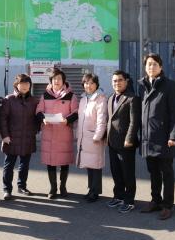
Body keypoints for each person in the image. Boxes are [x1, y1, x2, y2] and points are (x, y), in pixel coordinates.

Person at [138, 53, 175, 220]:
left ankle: (167, 205)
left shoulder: (170, 86)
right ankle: (155, 200)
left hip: (164, 138)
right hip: (147, 138)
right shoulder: (143, 85)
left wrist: (173, 136)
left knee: (166, 173)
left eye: (155, 64)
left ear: (161, 67)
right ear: (145, 67)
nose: (151, 67)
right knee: (153, 172)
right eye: (148, 64)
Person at [36, 67, 79, 199]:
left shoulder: (71, 95)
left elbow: (76, 112)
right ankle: (53, 188)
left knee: (64, 161)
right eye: (54, 79)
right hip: (49, 133)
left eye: (59, 79)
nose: (57, 81)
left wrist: (67, 120)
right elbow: (38, 111)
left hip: (64, 133)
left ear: (63, 81)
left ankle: (63, 187)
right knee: (50, 162)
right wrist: (43, 119)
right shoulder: (45, 95)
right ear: (51, 81)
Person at [0, 74, 39, 200]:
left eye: (27, 84)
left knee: (24, 165)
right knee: (9, 165)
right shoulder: (9, 99)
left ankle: (22, 186)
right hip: (11, 138)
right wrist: (5, 135)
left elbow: (37, 118)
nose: (25, 86)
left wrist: (35, 130)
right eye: (22, 83)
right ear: (16, 85)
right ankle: (7, 189)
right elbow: (2, 119)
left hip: (28, 137)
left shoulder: (34, 101)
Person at [106, 70, 140, 214]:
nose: (117, 83)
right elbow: (110, 120)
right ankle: (119, 196)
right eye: (114, 80)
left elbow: (134, 122)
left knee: (127, 173)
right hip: (112, 142)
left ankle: (129, 201)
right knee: (116, 171)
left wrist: (129, 139)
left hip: (126, 143)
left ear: (126, 81)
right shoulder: (110, 98)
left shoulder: (132, 98)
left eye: (120, 80)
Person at [76, 73, 108, 203]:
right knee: (89, 165)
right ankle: (91, 189)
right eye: (86, 83)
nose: (88, 85)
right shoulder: (84, 98)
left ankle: (95, 191)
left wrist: (98, 136)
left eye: (91, 83)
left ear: (96, 85)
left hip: (94, 137)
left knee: (96, 165)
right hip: (85, 137)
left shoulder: (100, 98)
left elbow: (102, 119)